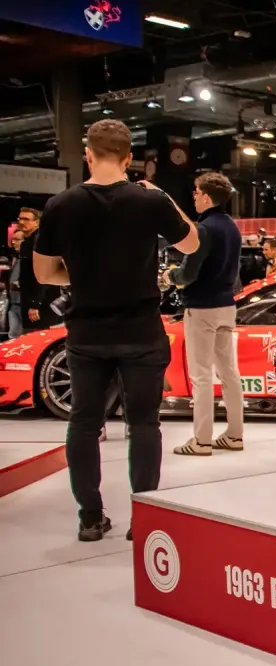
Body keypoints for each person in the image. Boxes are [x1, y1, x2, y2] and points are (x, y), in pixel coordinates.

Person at [32, 118, 200, 542]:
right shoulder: (149, 200)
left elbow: (44, 273)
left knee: (83, 423)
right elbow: (192, 243)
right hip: (141, 332)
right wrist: (163, 195)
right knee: (143, 424)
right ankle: (143, 516)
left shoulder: (60, 205)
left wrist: (83, 277)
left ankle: (90, 516)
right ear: (130, 159)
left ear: (88, 154)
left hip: (86, 334)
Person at [167, 172, 245, 457]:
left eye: (197, 193)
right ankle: (234, 435)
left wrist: (170, 276)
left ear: (207, 197)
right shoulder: (232, 227)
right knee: (229, 373)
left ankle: (201, 440)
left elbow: (188, 273)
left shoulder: (204, 229)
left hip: (201, 307)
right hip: (226, 305)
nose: (194, 197)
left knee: (201, 377)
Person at [12, 208, 55, 335]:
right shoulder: (27, 243)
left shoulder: (41, 242)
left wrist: (35, 304)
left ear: (37, 222)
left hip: (41, 305)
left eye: (26, 219)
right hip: (29, 301)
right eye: (20, 219)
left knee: (37, 338)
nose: (21, 222)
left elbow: (45, 275)